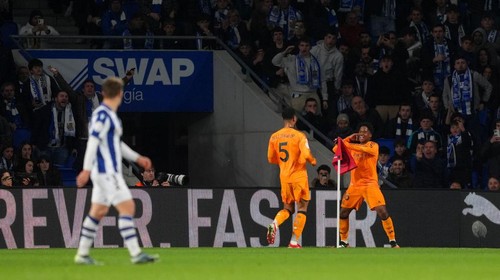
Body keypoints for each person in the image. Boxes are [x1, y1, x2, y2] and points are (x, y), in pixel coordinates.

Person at [74, 77, 158, 265]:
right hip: (106, 172)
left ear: (104, 93)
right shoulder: (103, 115)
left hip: (105, 172)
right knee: (127, 207)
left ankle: (82, 254)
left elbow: (116, 144)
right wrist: (85, 170)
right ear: (120, 94)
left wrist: (137, 158)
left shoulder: (109, 115)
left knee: (98, 211)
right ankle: (136, 254)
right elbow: (93, 142)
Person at [333, 122, 399, 248]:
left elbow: (362, 149)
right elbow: (336, 149)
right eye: (360, 131)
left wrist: (346, 143)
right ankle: (343, 242)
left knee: (382, 212)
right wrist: (349, 138)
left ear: (370, 135)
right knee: (343, 213)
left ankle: (393, 241)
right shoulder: (353, 146)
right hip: (355, 185)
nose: (362, 133)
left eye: (365, 131)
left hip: (370, 184)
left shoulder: (373, 146)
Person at [266, 107, 317, 248]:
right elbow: (306, 155)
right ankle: (294, 242)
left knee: (288, 208)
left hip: (284, 177)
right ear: (294, 119)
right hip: (298, 176)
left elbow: (270, 159)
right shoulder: (299, 136)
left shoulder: (274, 137)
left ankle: (274, 224)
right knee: (302, 208)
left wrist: (284, 163)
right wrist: (313, 160)